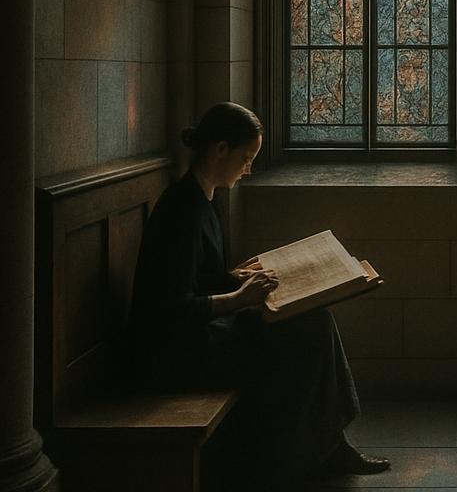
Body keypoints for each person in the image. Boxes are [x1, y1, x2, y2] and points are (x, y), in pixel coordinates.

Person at [127, 102, 388, 488]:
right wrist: (238, 298)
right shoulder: (182, 210)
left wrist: (235, 276)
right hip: (177, 352)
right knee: (304, 335)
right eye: (246, 157)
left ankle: (326, 445)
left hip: (199, 333)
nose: (248, 168)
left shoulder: (202, 200)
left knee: (314, 318)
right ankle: (298, 456)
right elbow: (171, 309)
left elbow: (202, 277)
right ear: (219, 150)